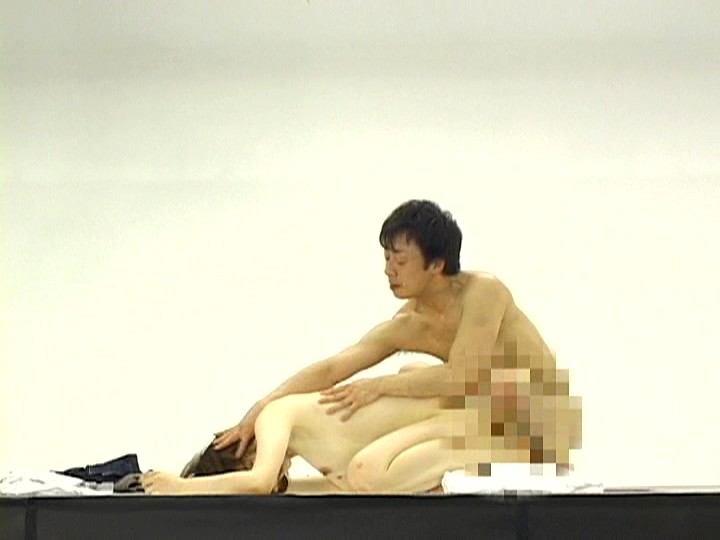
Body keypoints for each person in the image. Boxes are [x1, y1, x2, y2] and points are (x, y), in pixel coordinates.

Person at [207, 199, 581, 492]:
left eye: (399, 260)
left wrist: (378, 387)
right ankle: (409, 475)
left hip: (537, 419)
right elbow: (334, 368)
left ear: (437, 264)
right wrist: (261, 408)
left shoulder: (484, 291)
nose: (389, 270)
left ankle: (455, 471)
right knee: (410, 375)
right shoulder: (407, 323)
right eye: (387, 258)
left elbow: (464, 376)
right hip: (482, 412)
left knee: (395, 405)